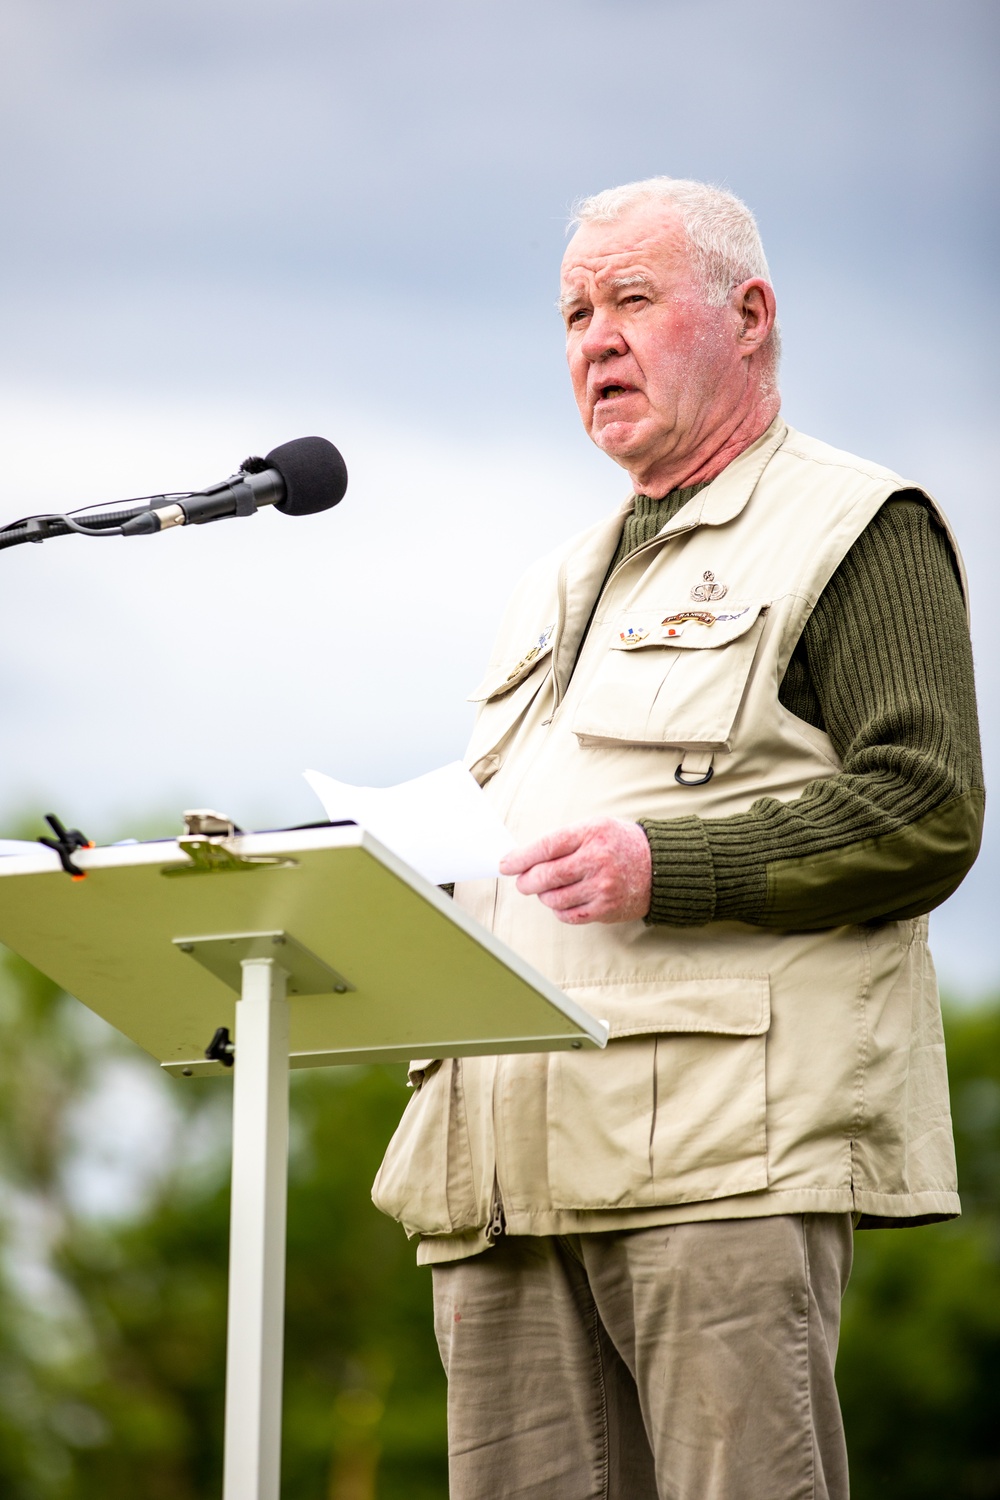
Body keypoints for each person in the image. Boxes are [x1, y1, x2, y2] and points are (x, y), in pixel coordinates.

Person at [372, 177, 984, 1500]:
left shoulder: (855, 529)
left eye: (632, 300)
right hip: (499, 1190)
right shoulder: (552, 581)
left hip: (714, 1168)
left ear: (750, 315)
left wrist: (668, 867)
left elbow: (929, 804)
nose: (595, 337)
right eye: (575, 312)